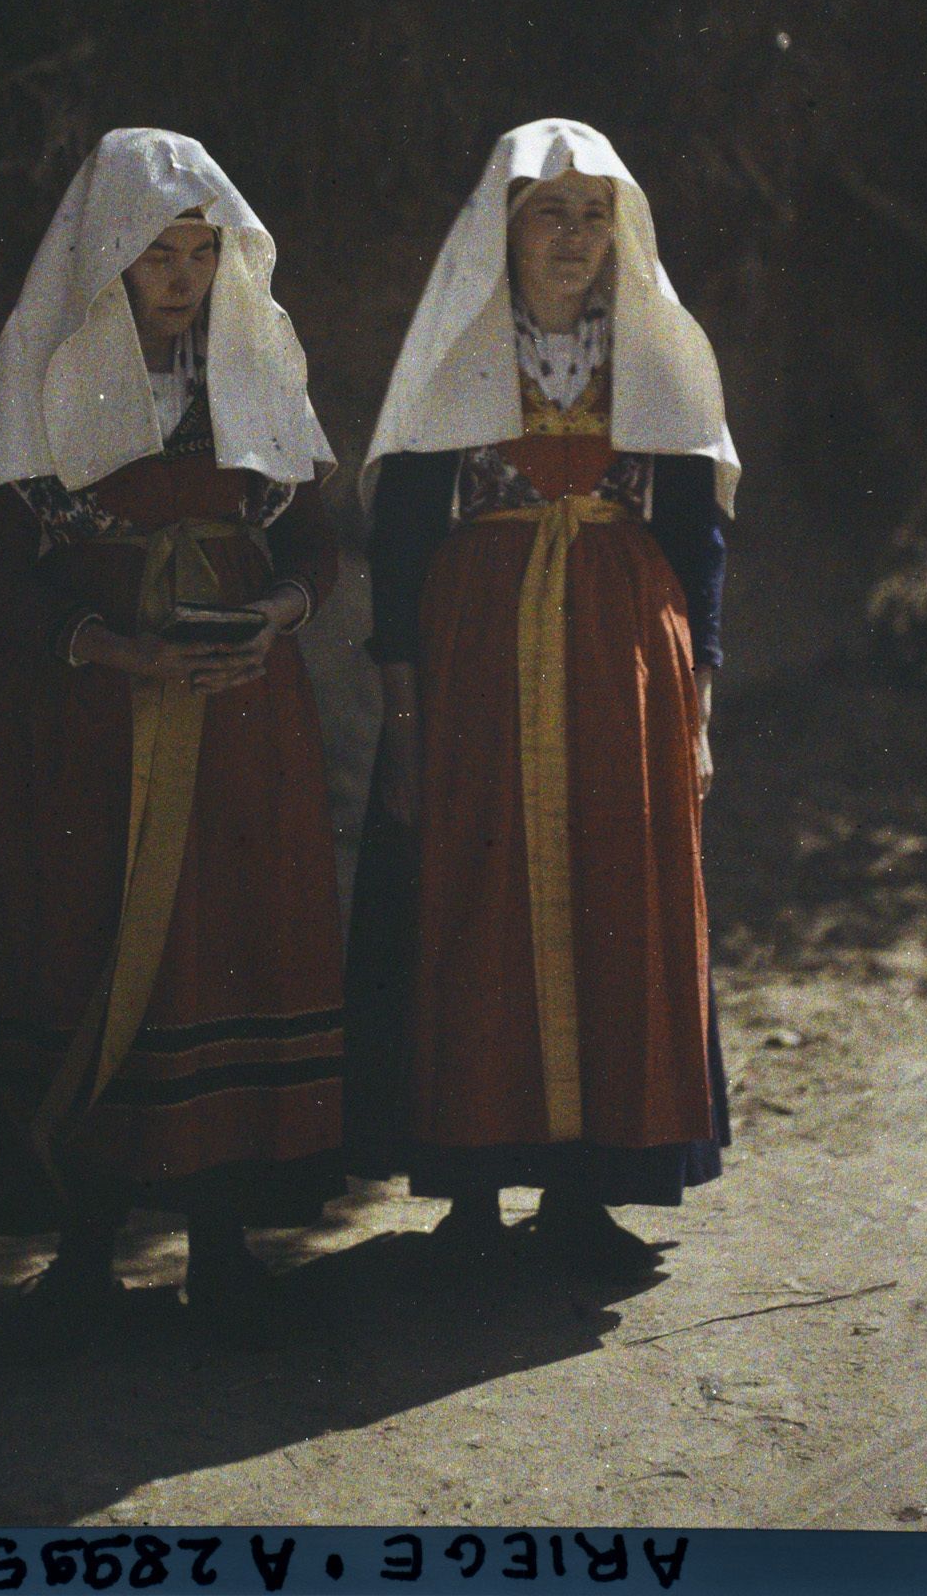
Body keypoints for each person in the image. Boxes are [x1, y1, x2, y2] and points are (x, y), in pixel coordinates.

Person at [0, 127, 343, 1340]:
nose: (179, 276)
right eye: (153, 253)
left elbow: (317, 541)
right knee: (88, 935)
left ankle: (221, 1243)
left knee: (229, 945)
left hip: (238, 713)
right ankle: (85, 1243)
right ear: (106, 262)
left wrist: (277, 612)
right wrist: (109, 646)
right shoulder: (42, 375)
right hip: (85, 718)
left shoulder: (256, 370)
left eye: (198, 251)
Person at [347, 118, 739, 1284]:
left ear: (620, 230)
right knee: (474, 891)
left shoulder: (659, 355)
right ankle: (470, 1186)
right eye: (546, 213)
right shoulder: (455, 357)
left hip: (625, 663)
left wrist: (702, 710)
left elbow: (698, 542)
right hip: (476, 663)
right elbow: (402, 542)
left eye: (591, 214)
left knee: (614, 895)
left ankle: (581, 1189)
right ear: (501, 229)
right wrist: (406, 722)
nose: (571, 237)